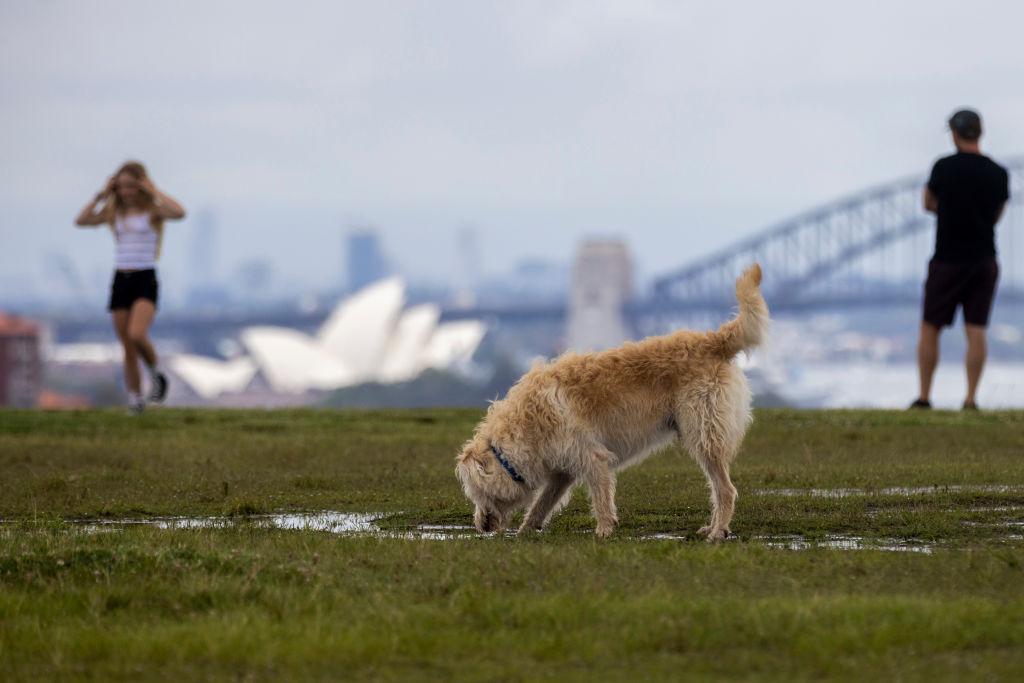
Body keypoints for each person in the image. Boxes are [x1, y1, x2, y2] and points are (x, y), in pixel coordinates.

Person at [912, 109, 1010, 410]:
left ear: (954, 134)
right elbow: (997, 215)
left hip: (947, 259)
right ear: (980, 132)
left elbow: (928, 203)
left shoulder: (943, 167)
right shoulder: (998, 173)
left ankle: (924, 397)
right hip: (984, 260)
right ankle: (970, 399)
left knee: (930, 327)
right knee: (976, 329)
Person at [75, 161, 186, 414]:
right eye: (122, 186)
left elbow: (179, 212)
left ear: (141, 185)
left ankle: (156, 374)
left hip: (145, 278)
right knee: (127, 345)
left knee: (137, 334)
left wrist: (153, 190)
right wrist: (102, 195)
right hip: (120, 279)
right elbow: (81, 220)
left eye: (132, 186)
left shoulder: (153, 211)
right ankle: (135, 399)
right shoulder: (114, 212)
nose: (127, 191)